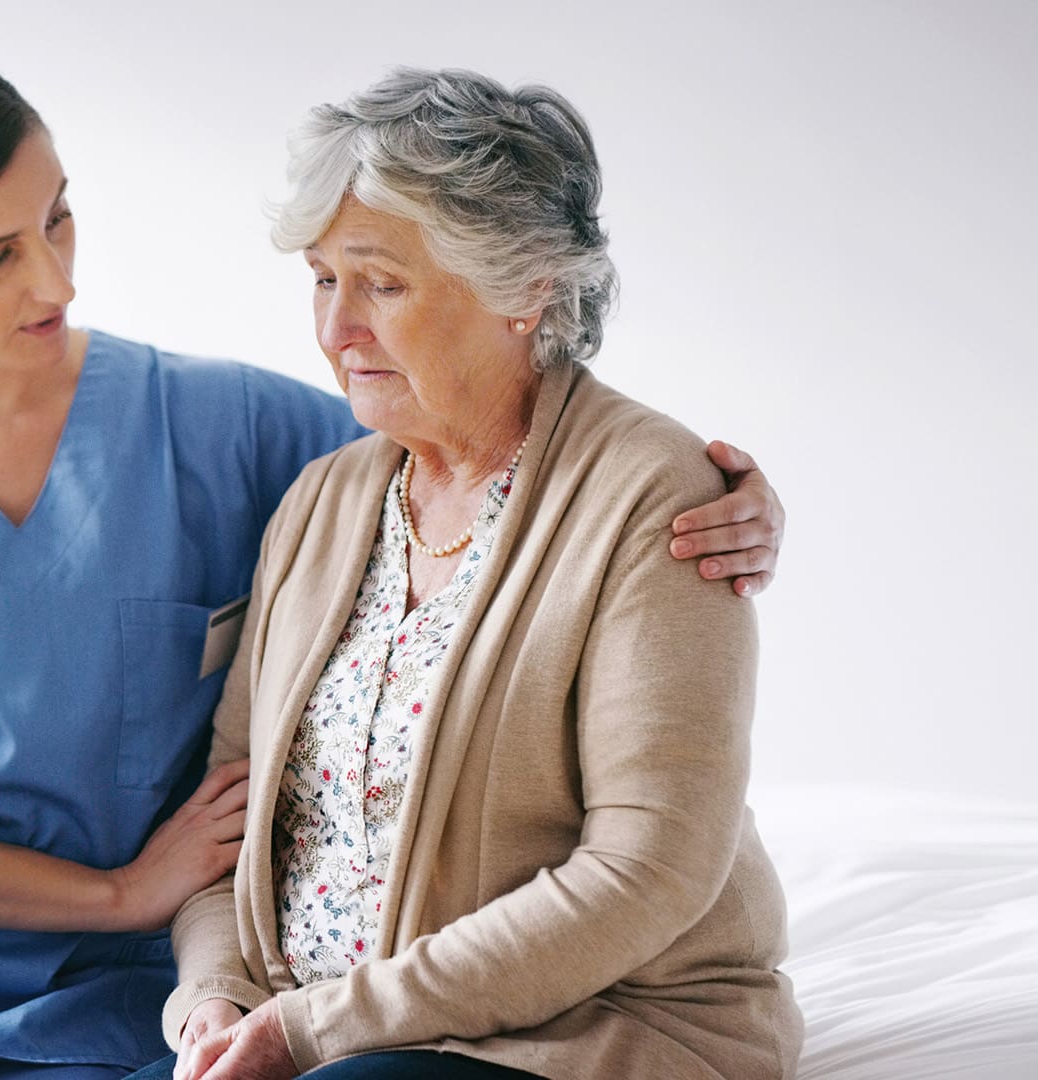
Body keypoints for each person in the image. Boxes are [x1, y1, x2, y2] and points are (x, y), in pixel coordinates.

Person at [0, 46, 787, 1080]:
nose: (54, 283)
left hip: (114, 990)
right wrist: (122, 898)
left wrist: (728, 495)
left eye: (60, 222)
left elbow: (502, 453)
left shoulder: (219, 428)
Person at [146, 68, 803, 1080]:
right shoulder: (321, 502)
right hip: (316, 1037)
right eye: (323, 279)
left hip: (586, 1035)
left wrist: (312, 1032)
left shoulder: (655, 495)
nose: (335, 329)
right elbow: (227, 835)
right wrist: (212, 1002)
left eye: (383, 283)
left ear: (527, 287)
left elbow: (648, 870)